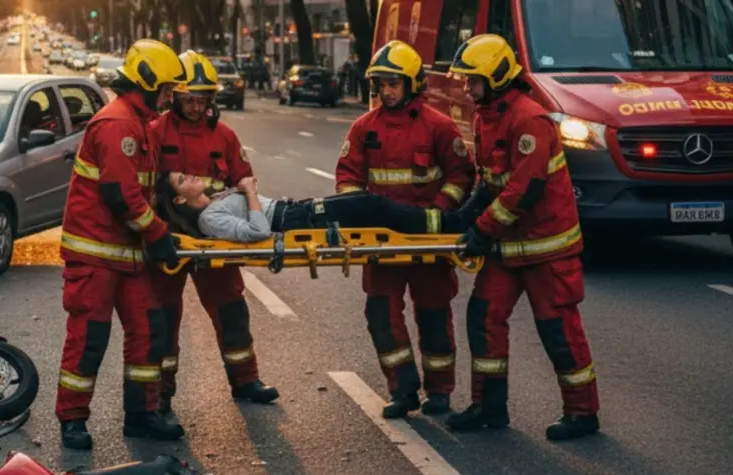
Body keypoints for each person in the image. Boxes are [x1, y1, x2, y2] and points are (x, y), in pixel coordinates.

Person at [446, 34, 600, 440]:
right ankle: (489, 407)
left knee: (558, 330)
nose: (467, 88)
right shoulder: (486, 116)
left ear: (495, 77)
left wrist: (480, 230)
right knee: (484, 317)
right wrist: (468, 215)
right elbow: (491, 180)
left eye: (472, 80)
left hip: (546, 247)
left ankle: (583, 413)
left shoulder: (529, 119)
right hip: (506, 242)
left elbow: (522, 190)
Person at [55, 39, 187, 450]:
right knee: (89, 337)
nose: (168, 99)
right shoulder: (118, 125)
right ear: (147, 82)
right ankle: (72, 419)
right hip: (96, 255)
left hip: (127, 255)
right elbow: (120, 194)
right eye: (166, 90)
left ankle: (142, 414)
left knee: (149, 329)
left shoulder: (137, 123)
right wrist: (158, 234)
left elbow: (140, 191)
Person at [334, 40, 476, 419]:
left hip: (428, 239)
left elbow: (461, 174)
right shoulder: (365, 128)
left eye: (393, 83)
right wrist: (359, 216)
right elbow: (347, 179)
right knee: (381, 313)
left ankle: (440, 391)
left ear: (412, 83)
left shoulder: (439, 127)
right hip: (381, 242)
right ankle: (402, 388)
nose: (386, 91)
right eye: (381, 84)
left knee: (433, 314)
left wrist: (440, 211)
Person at [148, 51, 279, 415]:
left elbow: (243, 178)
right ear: (174, 97)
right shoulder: (157, 133)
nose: (195, 106)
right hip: (170, 240)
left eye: (202, 100)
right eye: (189, 99)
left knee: (231, 308)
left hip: (215, 241)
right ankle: (160, 390)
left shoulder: (224, 135)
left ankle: (245, 379)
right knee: (163, 315)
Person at [155, 171, 476, 241]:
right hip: (294, 221)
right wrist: (250, 191)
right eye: (184, 179)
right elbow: (258, 231)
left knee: (371, 205)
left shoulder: (215, 203)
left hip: (297, 211)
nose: (193, 175)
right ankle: (451, 225)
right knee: (370, 204)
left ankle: (450, 221)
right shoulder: (210, 220)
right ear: (181, 199)